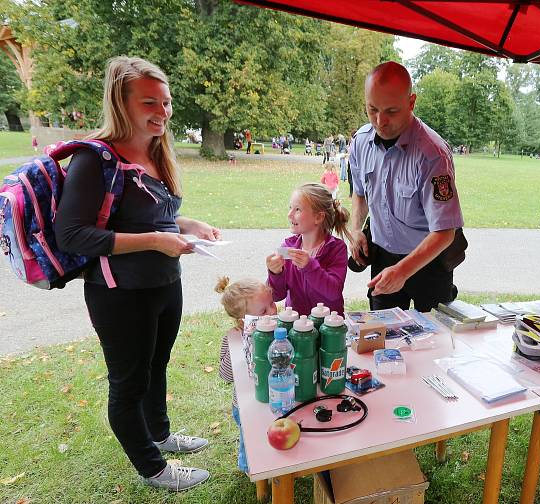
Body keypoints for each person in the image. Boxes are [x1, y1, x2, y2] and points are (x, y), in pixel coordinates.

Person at [54, 56, 219, 492]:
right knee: (129, 382)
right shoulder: (95, 159)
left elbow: (146, 215)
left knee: (156, 365)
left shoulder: (155, 151)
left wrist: (189, 226)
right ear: (120, 102)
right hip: (119, 292)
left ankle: (160, 433)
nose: (162, 112)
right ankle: (153, 467)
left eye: (166, 103)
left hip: (165, 283)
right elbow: (72, 234)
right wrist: (154, 241)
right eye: (150, 102)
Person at [349, 61, 463, 312]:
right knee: (381, 339)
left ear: (411, 102)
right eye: (372, 109)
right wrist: (356, 229)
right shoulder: (360, 143)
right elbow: (359, 193)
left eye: (391, 111)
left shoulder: (433, 154)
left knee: (435, 342)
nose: (380, 121)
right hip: (382, 256)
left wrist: (402, 271)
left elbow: (445, 232)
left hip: (429, 261)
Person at [215, 276, 277, 473]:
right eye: (264, 311)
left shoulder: (277, 328)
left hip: (272, 396)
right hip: (245, 403)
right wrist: (245, 343)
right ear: (244, 321)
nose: (273, 311)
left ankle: (273, 461)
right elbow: (225, 374)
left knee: (272, 432)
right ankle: (248, 466)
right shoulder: (233, 338)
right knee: (250, 438)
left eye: (272, 304)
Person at [267, 183, 351, 315]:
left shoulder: (336, 249)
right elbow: (276, 295)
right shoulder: (288, 248)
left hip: (328, 327)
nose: (289, 214)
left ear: (318, 217)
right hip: (297, 328)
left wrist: (309, 266)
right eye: (290, 208)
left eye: (297, 210)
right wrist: (275, 273)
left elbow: (334, 292)